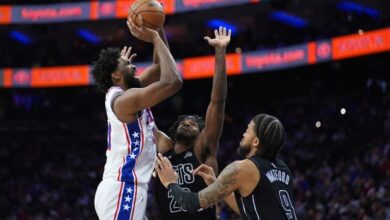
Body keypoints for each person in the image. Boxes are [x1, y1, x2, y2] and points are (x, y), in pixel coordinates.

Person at [92, 16, 182, 220]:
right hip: (123, 189)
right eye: (127, 64)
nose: (133, 66)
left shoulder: (130, 93)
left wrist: (158, 29)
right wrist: (153, 37)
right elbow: (173, 81)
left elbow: (159, 66)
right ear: (116, 76)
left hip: (125, 189)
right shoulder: (126, 100)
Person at [153, 26, 231, 220]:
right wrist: (159, 27)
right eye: (184, 122)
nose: (187, 124)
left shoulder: (202, 149)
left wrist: (220, 52)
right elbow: (139, 112)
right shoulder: (164, 150)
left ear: (201, 134)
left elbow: (217, 102)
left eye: (194, 124)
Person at [155, 114, 297, 220]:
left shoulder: (242, 168)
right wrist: (215, 182)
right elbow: (247, 211)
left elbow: (192, 204)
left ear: (255, 141)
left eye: (247, 131)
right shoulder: (282, 169)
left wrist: (171, 182)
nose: (243, 134)